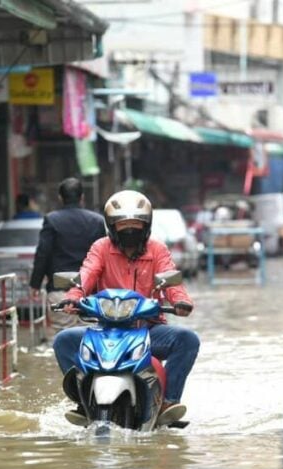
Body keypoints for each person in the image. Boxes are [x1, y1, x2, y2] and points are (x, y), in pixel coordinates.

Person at [52, 190, 200, 426]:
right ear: (111, 226)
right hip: (105, 329)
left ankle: (168, 402)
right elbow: (87, 273)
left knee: (188, 339)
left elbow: (172, 280)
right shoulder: (101, 248)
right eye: (123, 225)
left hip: (149, 330)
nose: (130, 230)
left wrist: (181, 301)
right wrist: (74, 297)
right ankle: (83, 398)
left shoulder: (158, 250)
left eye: (136, 224)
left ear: (147, 225)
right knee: (63, 340)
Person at [29, 178, 105, 333]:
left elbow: (43, 253)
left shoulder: (52, 220)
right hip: (90, 292)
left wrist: (35, 284)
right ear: (82, 197)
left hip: (60, 290)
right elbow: (104, 257)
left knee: (62, 336)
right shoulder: (97, 221)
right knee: (92, 337)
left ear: (60, 198)